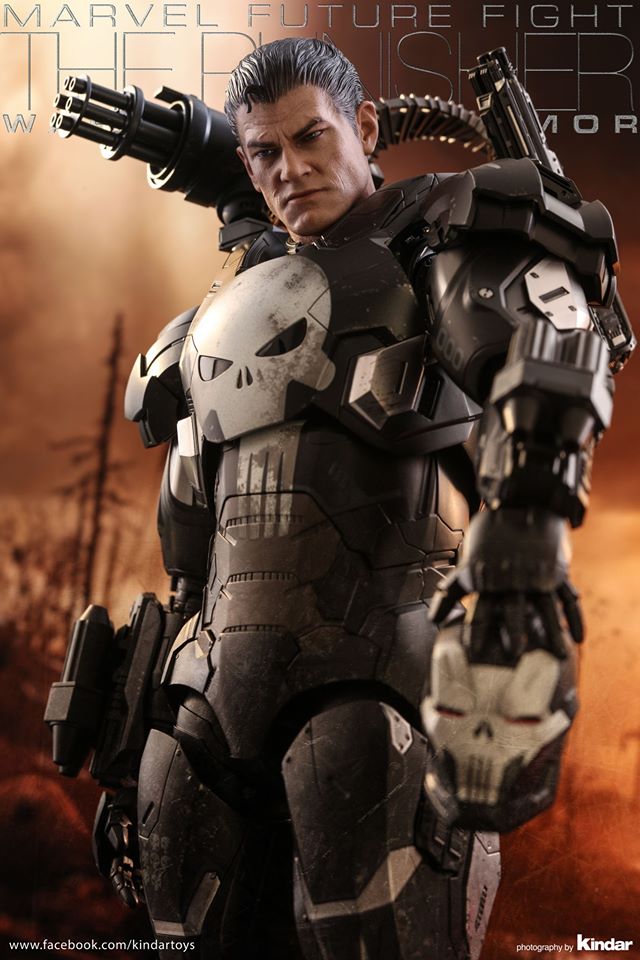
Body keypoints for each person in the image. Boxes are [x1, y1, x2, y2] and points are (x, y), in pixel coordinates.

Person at [74, 37, 627, 960]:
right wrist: (132, 748)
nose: (290, 171)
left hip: (377, 684)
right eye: (264, 152)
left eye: (312, 138)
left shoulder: (435, 241)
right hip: (202, 708)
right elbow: (192, 553)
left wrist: (522, 543)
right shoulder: (232, 296)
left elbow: (544, 366)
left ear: (365, 128)